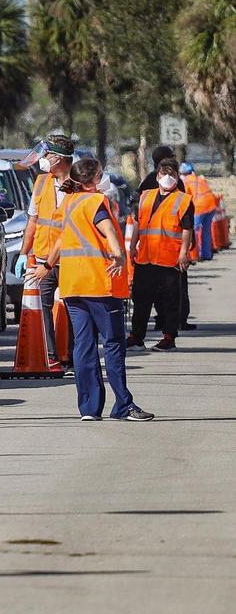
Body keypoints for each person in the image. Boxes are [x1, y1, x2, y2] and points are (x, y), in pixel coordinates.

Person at [36, 158, 153, 422]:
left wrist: (47, 265)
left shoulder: (68, 203)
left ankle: (89, 408)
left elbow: (59, 241)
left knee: (84, 346)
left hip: (73, 286)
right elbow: (109, 230)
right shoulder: (95, 202)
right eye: (100, 174)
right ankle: (123, 405)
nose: (104, 178)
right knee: (113, 344)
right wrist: (119, 256)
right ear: (92, 180)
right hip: (100, 285)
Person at [17, 134, 75, 366]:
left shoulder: (79, 185)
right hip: (43, 258)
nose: (44, 159)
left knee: (74, 311)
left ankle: (72, 356)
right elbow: (33, 220)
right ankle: (51, 355)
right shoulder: (41, 182)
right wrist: (24, 253)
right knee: (44, 307)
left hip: (71, 259)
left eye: (47, 155)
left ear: (58, 159)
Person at [127, 158, 193, 352]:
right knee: (140, 299)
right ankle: (136, 337)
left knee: (169, 301)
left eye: (171, 174)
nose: (167, 178)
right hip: (146, 257)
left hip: (169, 259)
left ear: (177, 178)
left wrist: (183, 254)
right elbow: (139, 224)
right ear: (157, 176)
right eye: (164, 174)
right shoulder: (145, 196)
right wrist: (132, 247)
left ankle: (169, 337)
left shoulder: (183, 200)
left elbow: (187, 229)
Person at [181, 162, 219, 261]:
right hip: (212, 203)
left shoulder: (186, 181)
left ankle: (195, 254)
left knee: (195, 231)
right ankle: (207, 254)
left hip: (200, 205)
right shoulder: (199, 178)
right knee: (206, 230)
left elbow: (184, 197)